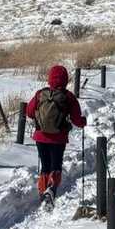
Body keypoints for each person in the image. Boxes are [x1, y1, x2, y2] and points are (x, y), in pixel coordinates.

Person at [25, 64, 86, 199]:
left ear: (50, 78)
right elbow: (76, 119)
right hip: (58, 138)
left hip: (41, 136)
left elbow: (29, 112)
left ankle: (43, 191)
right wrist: (83, 122)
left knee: (45, 165)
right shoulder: (68, 96)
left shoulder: (40, 94)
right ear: (66, 79)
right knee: (56, 165)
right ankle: (52, 189)